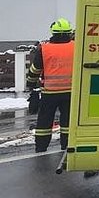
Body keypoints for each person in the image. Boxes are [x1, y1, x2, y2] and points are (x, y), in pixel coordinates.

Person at [27, 18, 74, 153]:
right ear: (69, 32)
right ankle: (67, 145)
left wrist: (30, 83)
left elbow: (35, 69)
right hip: (70, 92)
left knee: (44, 121)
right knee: (68, 121)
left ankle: (41, 147)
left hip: (50, 92)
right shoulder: (75, 47)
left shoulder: (45, 48)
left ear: (53, 32)